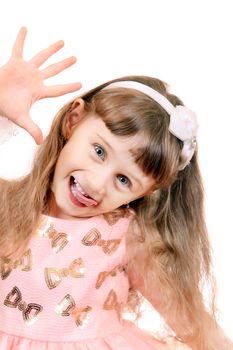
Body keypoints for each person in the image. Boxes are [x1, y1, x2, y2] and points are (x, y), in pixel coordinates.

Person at [0, 28, 232, 350]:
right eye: (99, 151)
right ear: (73, 121)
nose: (96, 183)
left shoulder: (125, 238)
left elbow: (195, 325)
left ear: (147, 192)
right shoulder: (6, 204)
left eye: (123, 180)